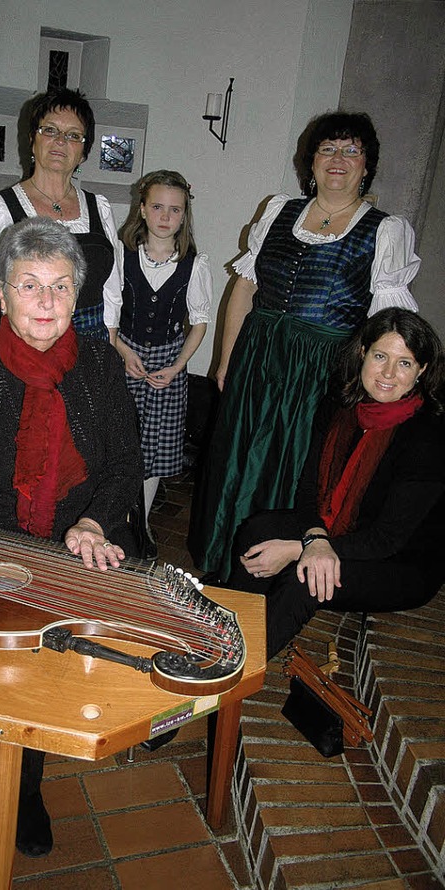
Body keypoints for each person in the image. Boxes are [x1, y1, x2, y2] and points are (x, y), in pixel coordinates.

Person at [0, 217, 144, 856]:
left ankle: (34, 759)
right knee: (15, 666)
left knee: (81, 658)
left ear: (78, 297)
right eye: (29, 286)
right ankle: (19, 781)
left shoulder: (98, 366)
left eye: (60, 288)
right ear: (3, 295)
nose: (45, 302)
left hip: (76, 535)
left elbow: (125, 463)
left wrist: (95, 520)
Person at [188, 111, 421, 584]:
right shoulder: (278, 210)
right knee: (238, 455)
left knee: (297, 465)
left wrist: (382, 378)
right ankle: (222, 558)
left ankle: (273, 571)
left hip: (323, 367)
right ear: (310, 161)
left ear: (366, 166)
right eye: (327, 149)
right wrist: (226, 358)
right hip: (257, 357)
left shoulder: (384, 230)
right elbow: (246, 289)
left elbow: (387, 322)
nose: (338, 160)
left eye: (351, 151)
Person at [226, 308, 445, 659]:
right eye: (380, 356)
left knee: (308, 579)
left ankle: (237, 665)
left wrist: (303, 549)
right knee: (260, 530)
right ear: (362, 353)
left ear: (421, 370)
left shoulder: (427, 437)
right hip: (339, 529)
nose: (388, 373)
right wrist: (314, 538)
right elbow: (308, 490)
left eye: (405, 363)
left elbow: (386, 539)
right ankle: (227, 627)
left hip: (399, 563)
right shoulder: (341, 405)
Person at [0, 87, 123, 346]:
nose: (60, 141)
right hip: (21, 350)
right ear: (32, 140)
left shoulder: (99, 208)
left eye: (73, 135)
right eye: (50, 130)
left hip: (89, 351)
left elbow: (111, 293)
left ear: (84, 151)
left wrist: (109, 355)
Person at [117, 170, 212, 556]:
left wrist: (176, 367)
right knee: (118, 442)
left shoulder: (194, 263)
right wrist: (122, 351)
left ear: (184, 214)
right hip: (124, 356)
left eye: (175, 209)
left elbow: (200, 322)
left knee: (153, 450)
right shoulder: (120, 254)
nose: (165, 216)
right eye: (157, 206)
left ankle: (139, 523)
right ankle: (115, 517)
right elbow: (109, 312)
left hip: (167, 367)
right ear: (142, 209)